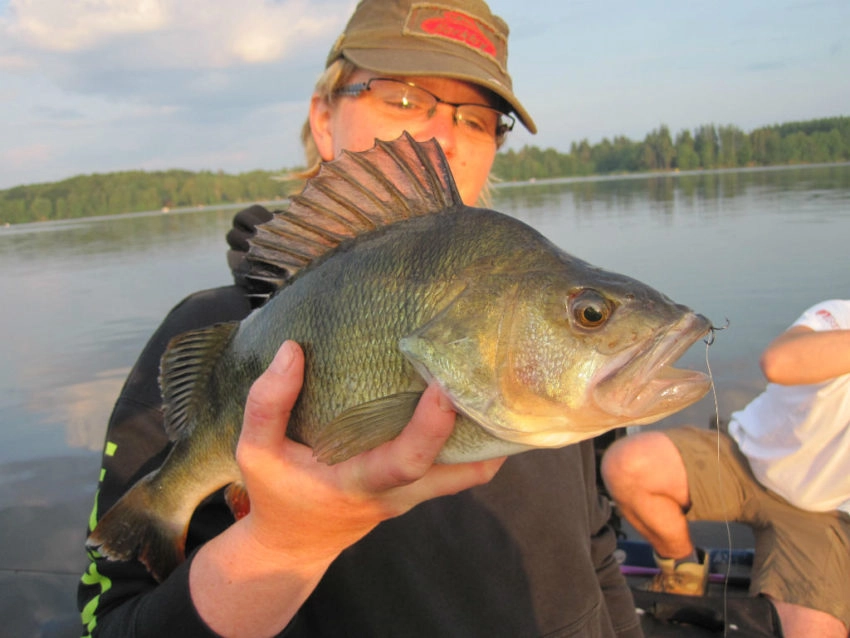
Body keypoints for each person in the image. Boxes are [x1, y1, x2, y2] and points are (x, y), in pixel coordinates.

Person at [77, 1, 644, 637]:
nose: (442, 137)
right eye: (402, 100)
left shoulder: (549, 338)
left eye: (480, 118)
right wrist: (282, 543)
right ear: (324, 117)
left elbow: (595, 554)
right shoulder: (218, 328)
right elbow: (114, 624)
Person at [601, 299, 850, 638]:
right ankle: (683, 568)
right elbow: (780, 362)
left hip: (822, 516)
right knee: (627, 465)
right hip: (744, 456)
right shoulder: (839, 316)